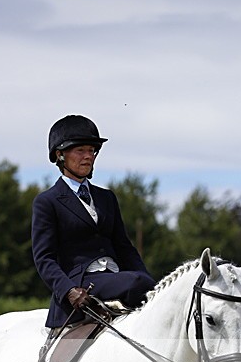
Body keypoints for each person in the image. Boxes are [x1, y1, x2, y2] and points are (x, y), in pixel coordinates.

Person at [32, 114, 156, 328]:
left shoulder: (107, 197)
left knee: (148, 284)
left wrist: (152, 286)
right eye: (80, 150)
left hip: (116, 278)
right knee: (136, 282)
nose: (88, 156)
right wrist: (69, 291)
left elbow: (124, 247)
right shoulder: (47, 201)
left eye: (92, 150)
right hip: (81, 285)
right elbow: (44, 259)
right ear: (60, 155)